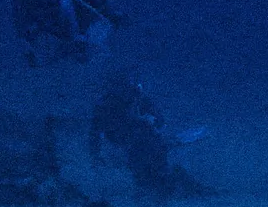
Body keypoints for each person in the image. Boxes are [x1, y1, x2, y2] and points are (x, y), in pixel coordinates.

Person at [88, 71, 207, 199]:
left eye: (126, 87)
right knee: (146, 175)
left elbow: (159, 121)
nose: (124, 92)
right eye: (120, 88)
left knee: (158, 170)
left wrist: (149, 121)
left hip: (148, 142)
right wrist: (96, 154)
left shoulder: (138, 99)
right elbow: (96, 132)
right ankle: (160, 187)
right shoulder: (106, 106)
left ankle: (176, 187)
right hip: (129, 145)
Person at [12, 0, 125, 67]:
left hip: (82, 22)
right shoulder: (24, 0)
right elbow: (21, 26)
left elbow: (79, 3)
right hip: (62, 31)